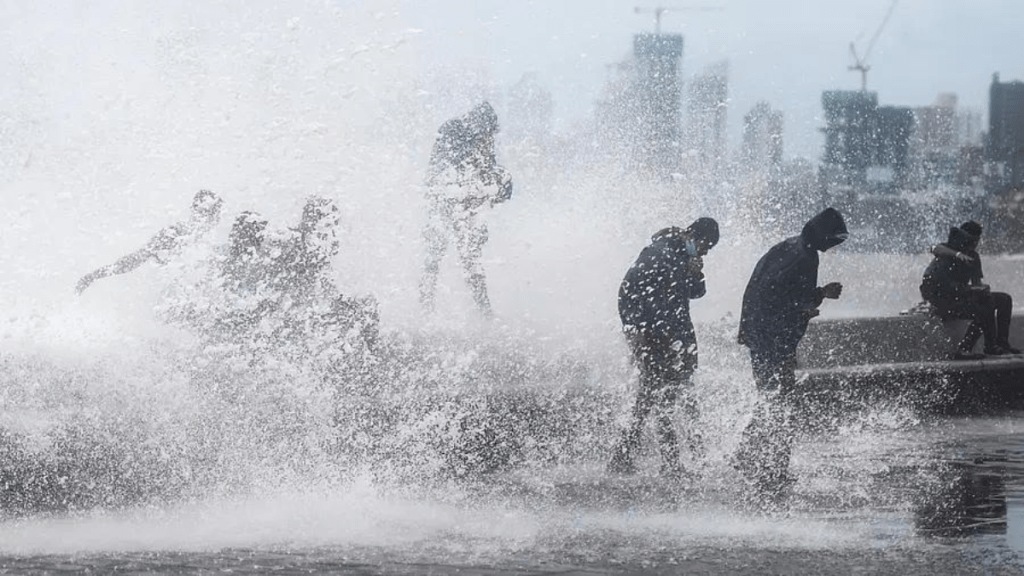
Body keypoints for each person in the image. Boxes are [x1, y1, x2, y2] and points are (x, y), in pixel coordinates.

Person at [734, 207, 848, 497]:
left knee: (772, 399)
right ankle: (775, 469)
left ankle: (748, 454)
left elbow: (769, 290)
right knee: (782, 404)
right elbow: (778, 295)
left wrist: (809, 301)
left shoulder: (791, 245)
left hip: (761, 335)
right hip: (772, 340)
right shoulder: (804, 257)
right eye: (834, 239)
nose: (834, 245)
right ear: (823, 235)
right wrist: (817, 297)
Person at [607, 218, 720, 479]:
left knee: (651, 397)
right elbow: (628, 291)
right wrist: (640, 333)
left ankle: (624, 455)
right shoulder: (660, 254)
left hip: (672, 337)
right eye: (706, 246)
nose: (705, 252)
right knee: (664, 398)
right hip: (659, 338)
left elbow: (696, 293)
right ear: (696, 236)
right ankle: (671, 463)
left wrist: (696, 271)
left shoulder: (681, 256)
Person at [418, 101, 513, 317]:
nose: (489, 138)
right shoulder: (455, 131)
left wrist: (498, 183)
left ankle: (481, 312)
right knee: (440, 255)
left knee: (466, 257)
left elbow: (486, 170)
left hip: (464, 203)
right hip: (446, 201)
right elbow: (444, 170)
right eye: (487, 133)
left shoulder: (476, 136)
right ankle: (428, 307)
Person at [76, 189, 224, 294]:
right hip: (172, 300)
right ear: (194, 211)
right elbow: (135, 259)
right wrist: (94, 276)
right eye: (205, 213)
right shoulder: (174, 234)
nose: (211, 219)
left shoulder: (216, 243)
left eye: (214, 214)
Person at [921, 221, 1020, 357]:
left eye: (976, 241)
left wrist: (982, 289)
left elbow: (976, 283)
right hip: (945, 301)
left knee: (1004, 299)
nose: (974, 244)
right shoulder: (947, 252)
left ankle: (1000, 343)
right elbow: (933, 249)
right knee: (984, 309)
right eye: (971, 240)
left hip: (962, 297)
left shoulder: (973, 256)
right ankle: (965, 348)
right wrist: (957, 255)